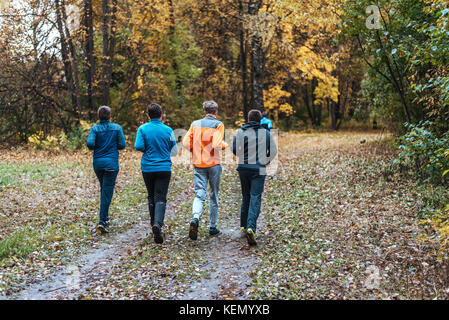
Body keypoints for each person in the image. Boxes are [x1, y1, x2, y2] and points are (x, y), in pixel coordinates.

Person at [182, 100, 228, 240]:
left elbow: (185, 143)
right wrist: (225, 145)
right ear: (216, 112)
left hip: (199, 164)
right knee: (214, 194)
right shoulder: (218, 125)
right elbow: (216, 144)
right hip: (213, 164)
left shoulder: (195, 124)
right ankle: (212, 227)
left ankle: (195, 218)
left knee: (199, 194)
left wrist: (195, 151)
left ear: (204, 111)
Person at [232, 109, 277, 246]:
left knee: (246, 196)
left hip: (243, 168)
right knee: (255, 196)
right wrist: (265, 161)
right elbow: (273, 151)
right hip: (259, 168)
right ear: (260, 120)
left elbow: (234, 149)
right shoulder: (266, 133)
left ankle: (244, 226)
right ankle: (251, 227)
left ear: (248, 119)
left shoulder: (240, 132)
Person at [135, 103, 178, 244]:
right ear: (161, 115)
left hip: (147, 168)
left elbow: (139, 146)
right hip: (164, 168)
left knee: (151, 196)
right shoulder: (168, 130)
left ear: (148, 115)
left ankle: (154, 223)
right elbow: (175, 151)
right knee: (160, 197)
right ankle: (157, 225)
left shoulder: (142, 129)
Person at [86, 106, 126, 234]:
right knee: (107, 191)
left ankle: (106, 217)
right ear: (109, 116)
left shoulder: (94, 129)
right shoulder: (117, 128)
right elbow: (122, 145)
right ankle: (102, 221)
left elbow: (90, 144)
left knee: (104, 189)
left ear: (99, 116)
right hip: (111, 164)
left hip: (98, 163)